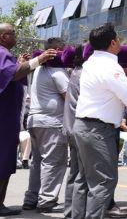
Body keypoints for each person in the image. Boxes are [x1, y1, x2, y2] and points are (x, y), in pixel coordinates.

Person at [72, 23, 127, 219]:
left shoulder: (92, 62)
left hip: (85, 125)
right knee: (103, 181)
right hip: (97, 129)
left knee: (84, 180)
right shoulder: (109, 66)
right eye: (118, 39)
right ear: (112, 42)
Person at [0, 23, 57, 216]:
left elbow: (14, 74)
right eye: (12, 33)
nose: (16, 36)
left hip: (8, 119)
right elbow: (13, 74)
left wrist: (20, 64)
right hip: (3, 119)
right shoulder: (1, 53)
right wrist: (38, 60)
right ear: (3, 37)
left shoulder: (5, 54)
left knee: (6, 161)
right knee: (2, 161)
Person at [23, 37, 70, 213]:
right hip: (51, 123)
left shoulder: (39, 69)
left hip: (36, 121)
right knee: (53, 162)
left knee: (38, 162)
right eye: (63, 49)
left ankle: (31, 199)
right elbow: (69, 96)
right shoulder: (56, 70)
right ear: (55, 50)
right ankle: (47, 200)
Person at [63, 44, 86, 219]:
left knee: (74, 173)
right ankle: (76, 212)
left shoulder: (74, 73)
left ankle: (69, 211)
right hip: (79, 128)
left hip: (70, 127)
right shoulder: (83, 74)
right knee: (81, 175)